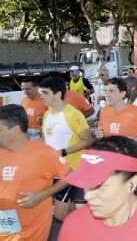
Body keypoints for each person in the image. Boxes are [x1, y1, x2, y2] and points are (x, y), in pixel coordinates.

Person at [0, 105, 71, 241]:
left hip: (29, 233)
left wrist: (41, 195)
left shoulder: (44, 153)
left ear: (15, 130)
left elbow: (70, 175)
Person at [38, 76, 92, 220]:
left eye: (45, 93)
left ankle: (92, 225)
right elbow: (46, 139)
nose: (41, 96)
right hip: (52, 171)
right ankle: (93, 222)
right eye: (40, 93)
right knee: (67, 209)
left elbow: (87, 140)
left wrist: (62, 152)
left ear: (57, 94)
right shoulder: (46, 114)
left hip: (70, 170)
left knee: (60, 214)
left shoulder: (73, 114)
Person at [97, 77, 137, 144]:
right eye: (106, 91)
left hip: (132, 153)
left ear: (122, 94)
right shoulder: (104, 111)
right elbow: (100, 133)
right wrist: (99, 135)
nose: (107, 95)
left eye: (111, 91)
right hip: (110, 153)